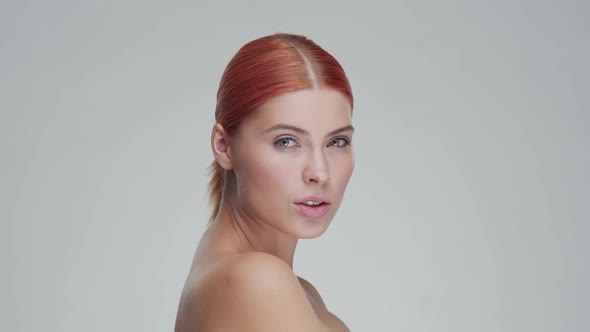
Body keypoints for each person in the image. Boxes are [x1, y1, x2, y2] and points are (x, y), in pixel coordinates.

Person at [174, 33, 355, 332]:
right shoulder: (258, 280)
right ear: (223, 146)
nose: (320, 172)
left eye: (337, 141)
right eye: (286, 141)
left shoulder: (295, 289)